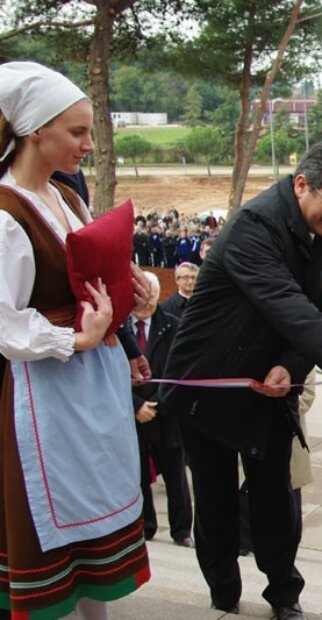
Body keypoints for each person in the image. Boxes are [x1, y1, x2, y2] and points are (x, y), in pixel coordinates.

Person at [160, 141, 322, 620]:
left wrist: (290, 367)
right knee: (214, 505)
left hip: (270, 390)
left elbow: (314, 312)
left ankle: (284, 596)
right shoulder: (252, 228)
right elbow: (281, 302)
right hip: (207, 388)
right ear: (301, 185)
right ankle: (223, 597)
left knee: (278, 500)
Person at [0, 61, 151, 619]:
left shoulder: (65, 197)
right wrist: (73, 338)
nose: (89, 144)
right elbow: (5, 321)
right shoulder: (6, 214)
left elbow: (88, 276)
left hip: (90, 385)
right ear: (36, 130)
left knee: (93, 524)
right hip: (44, 393)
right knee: (55, 522)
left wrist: (135, 295)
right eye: (77, 132)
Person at [127, 271, 193, 547]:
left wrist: (157, 404)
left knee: (176, 478)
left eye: (151, 297)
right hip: (132, 416)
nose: (146, 303)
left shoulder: (174, 326)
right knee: (138, 476)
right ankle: (145, 527)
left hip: (166, 416)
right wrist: (137, 405)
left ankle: (181, 531)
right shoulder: (117, 330)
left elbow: (181, 371)